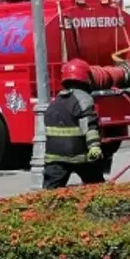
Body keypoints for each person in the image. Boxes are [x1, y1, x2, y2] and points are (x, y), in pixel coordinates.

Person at [43, 59, 106, 189]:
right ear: (86, 77)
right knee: (97, 189)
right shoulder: (83, 98)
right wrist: (94, 146)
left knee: (49, 196)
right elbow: (89, 124)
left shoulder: (56, 101)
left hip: (55, 158)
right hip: (80, 156)